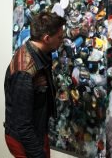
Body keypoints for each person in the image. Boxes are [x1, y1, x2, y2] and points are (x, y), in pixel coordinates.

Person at [4, 12, 66, 158]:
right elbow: (22, 126)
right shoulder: (24, 72)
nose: (62, 40)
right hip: (23, 138)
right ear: (46, 38)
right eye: (59, 37)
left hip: (37, 129)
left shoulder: (42, 51)